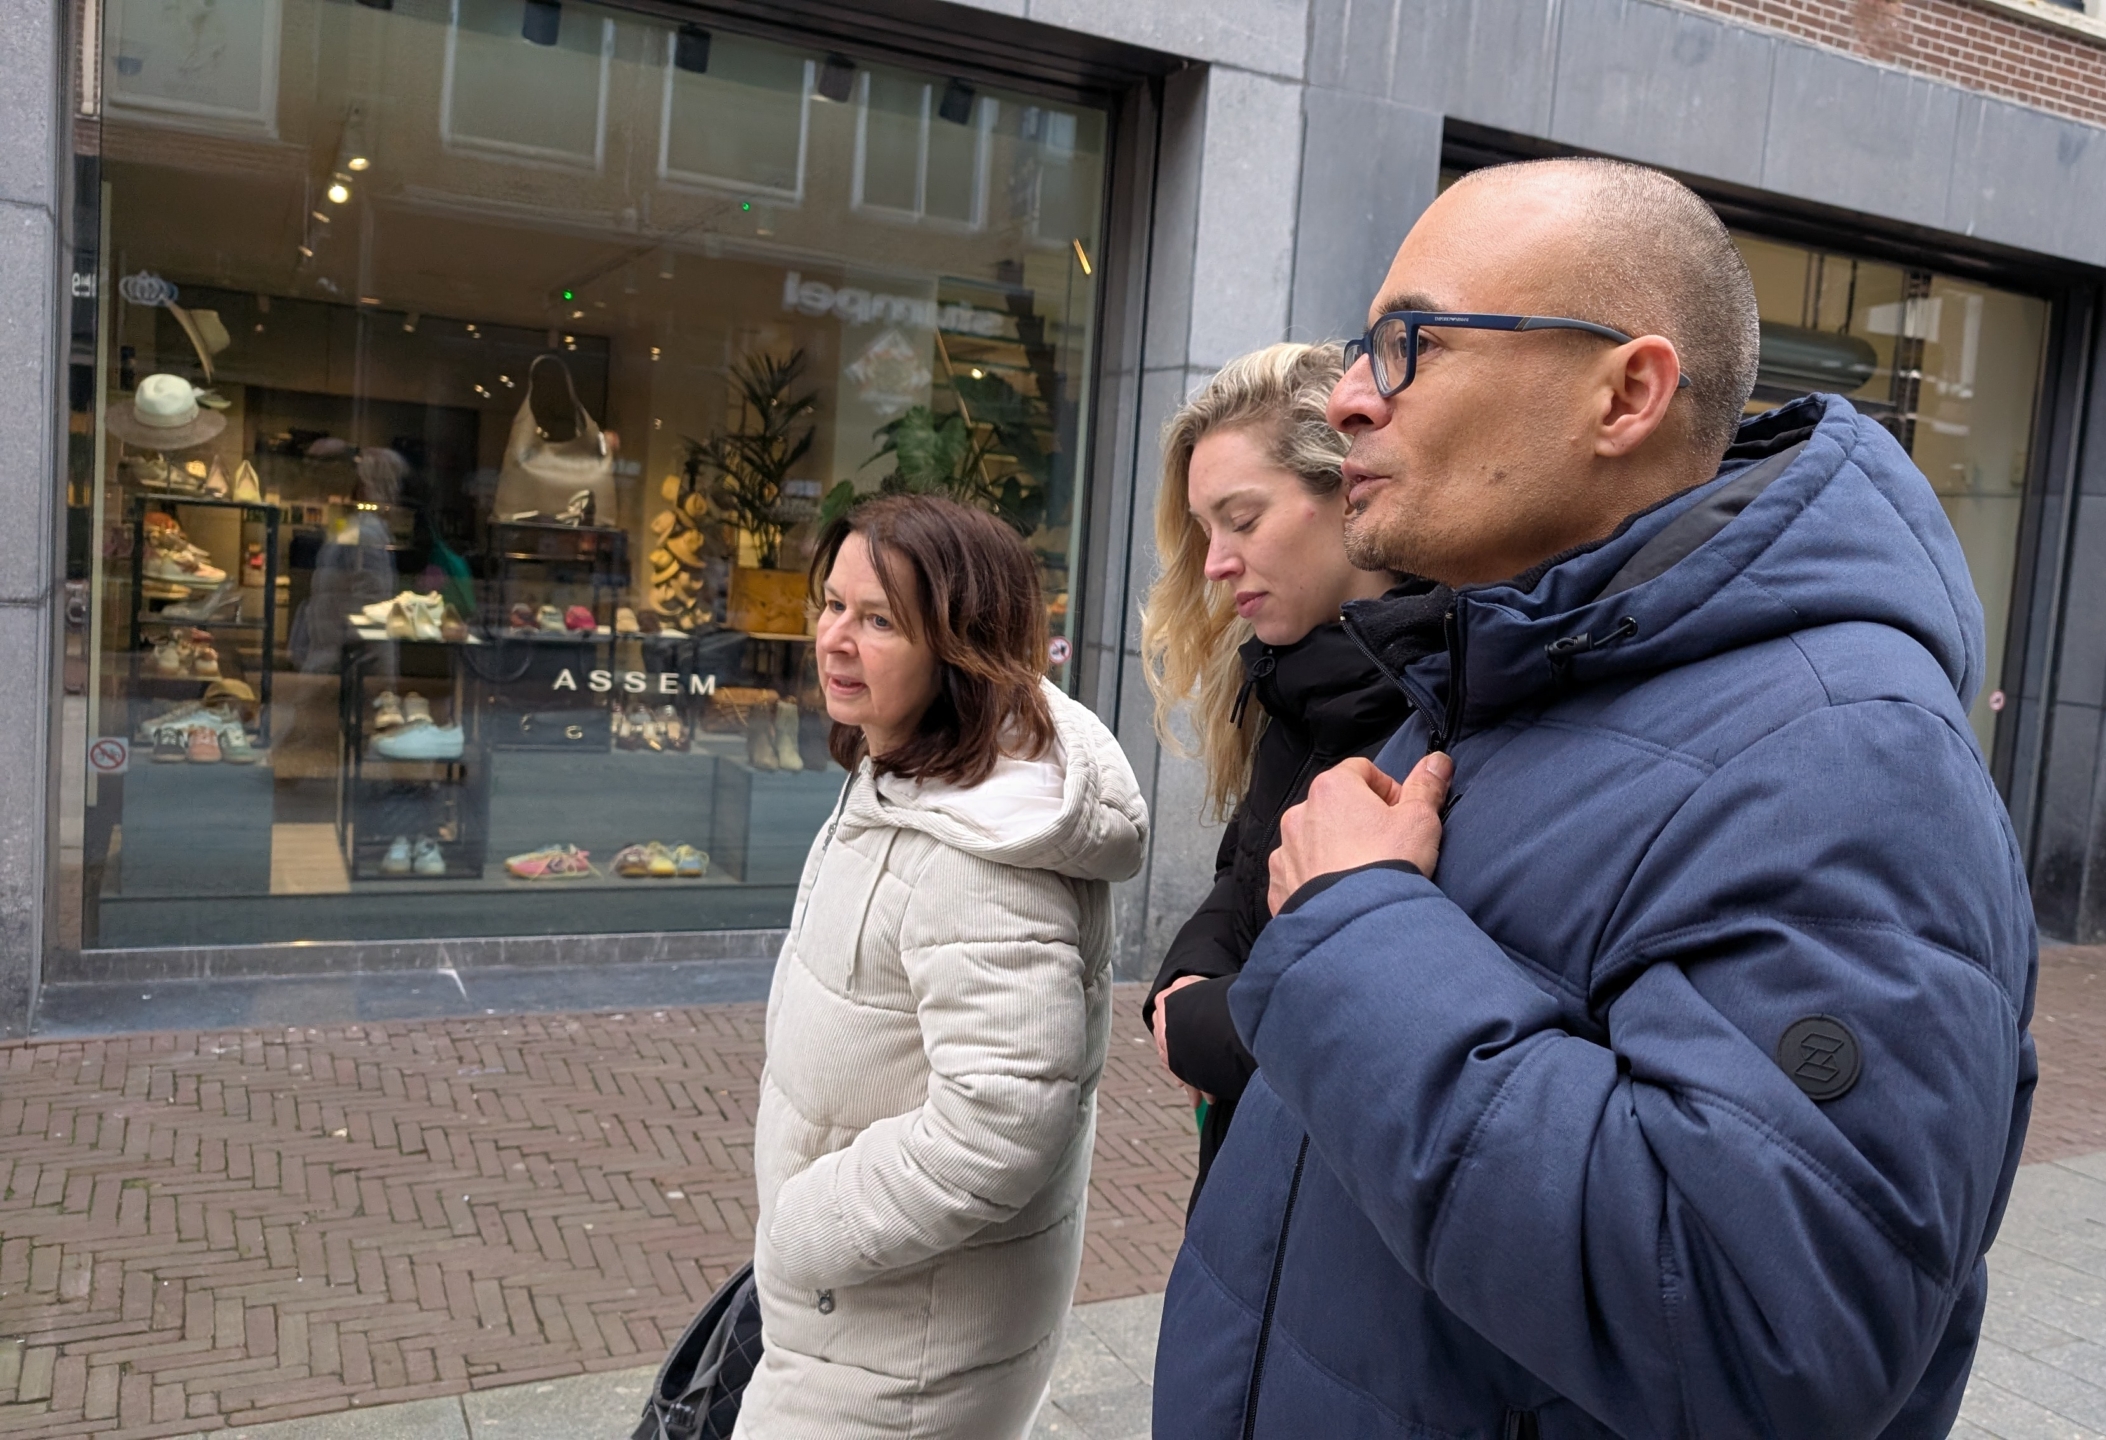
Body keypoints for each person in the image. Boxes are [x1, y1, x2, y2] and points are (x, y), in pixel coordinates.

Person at [1153, 158, 2039, 1438]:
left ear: (1625, 392)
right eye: (1362, 347)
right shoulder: (1489, 676)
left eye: (1410, 346)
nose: (1348, 398)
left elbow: (1760, 1329)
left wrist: (1358, 926)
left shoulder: (1847, 759)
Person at [738, 494, 1148, 1438]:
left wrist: (805, 1229)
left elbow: (1000, 1124)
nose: (835, 639)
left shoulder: (979, 854)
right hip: (863, 1315)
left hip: (900, 1352)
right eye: (830, 605)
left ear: (961, 646)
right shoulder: (902, 773)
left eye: (878, 620)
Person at [1137, 342, 1406, 1207]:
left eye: (1241, 520)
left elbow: (1387, 1023)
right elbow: (1243, 869)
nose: (1215, 563)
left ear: (1348, 491)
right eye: (1206, 531)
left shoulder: (1440, 702)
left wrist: (1208, 1026)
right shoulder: (1291, 678)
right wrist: (1184, 979)